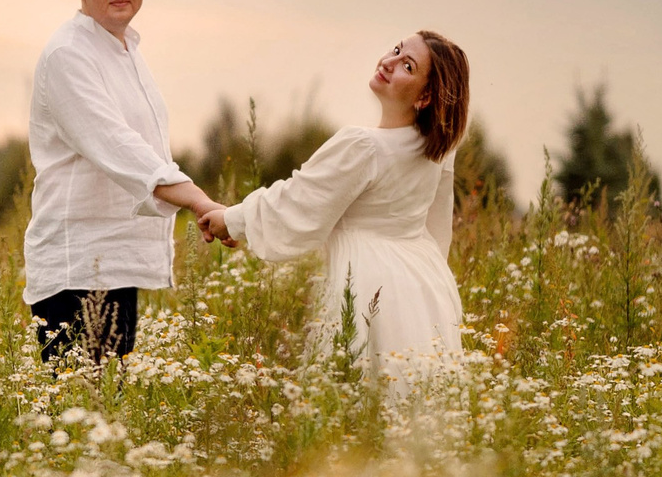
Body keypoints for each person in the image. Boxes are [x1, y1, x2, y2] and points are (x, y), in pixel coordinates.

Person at [200, 31, 470, 379]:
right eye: (397, 49)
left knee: (358, 393)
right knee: (408, 398)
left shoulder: (363, 145)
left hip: (370, 283)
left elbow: (299, 201)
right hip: (423, 284)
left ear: (426, 95)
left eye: (407, 65)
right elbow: (437, 230)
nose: (388, 61)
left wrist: (232, 219)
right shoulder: (437, 150)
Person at [23, 0, 221, 363]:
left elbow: (146, 145)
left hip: (115, 261)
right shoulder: (68, 55)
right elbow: (119, 147)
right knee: (76, 418)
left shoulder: (127, 49)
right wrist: (200, 201)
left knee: (110, 413)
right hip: (75, 267)